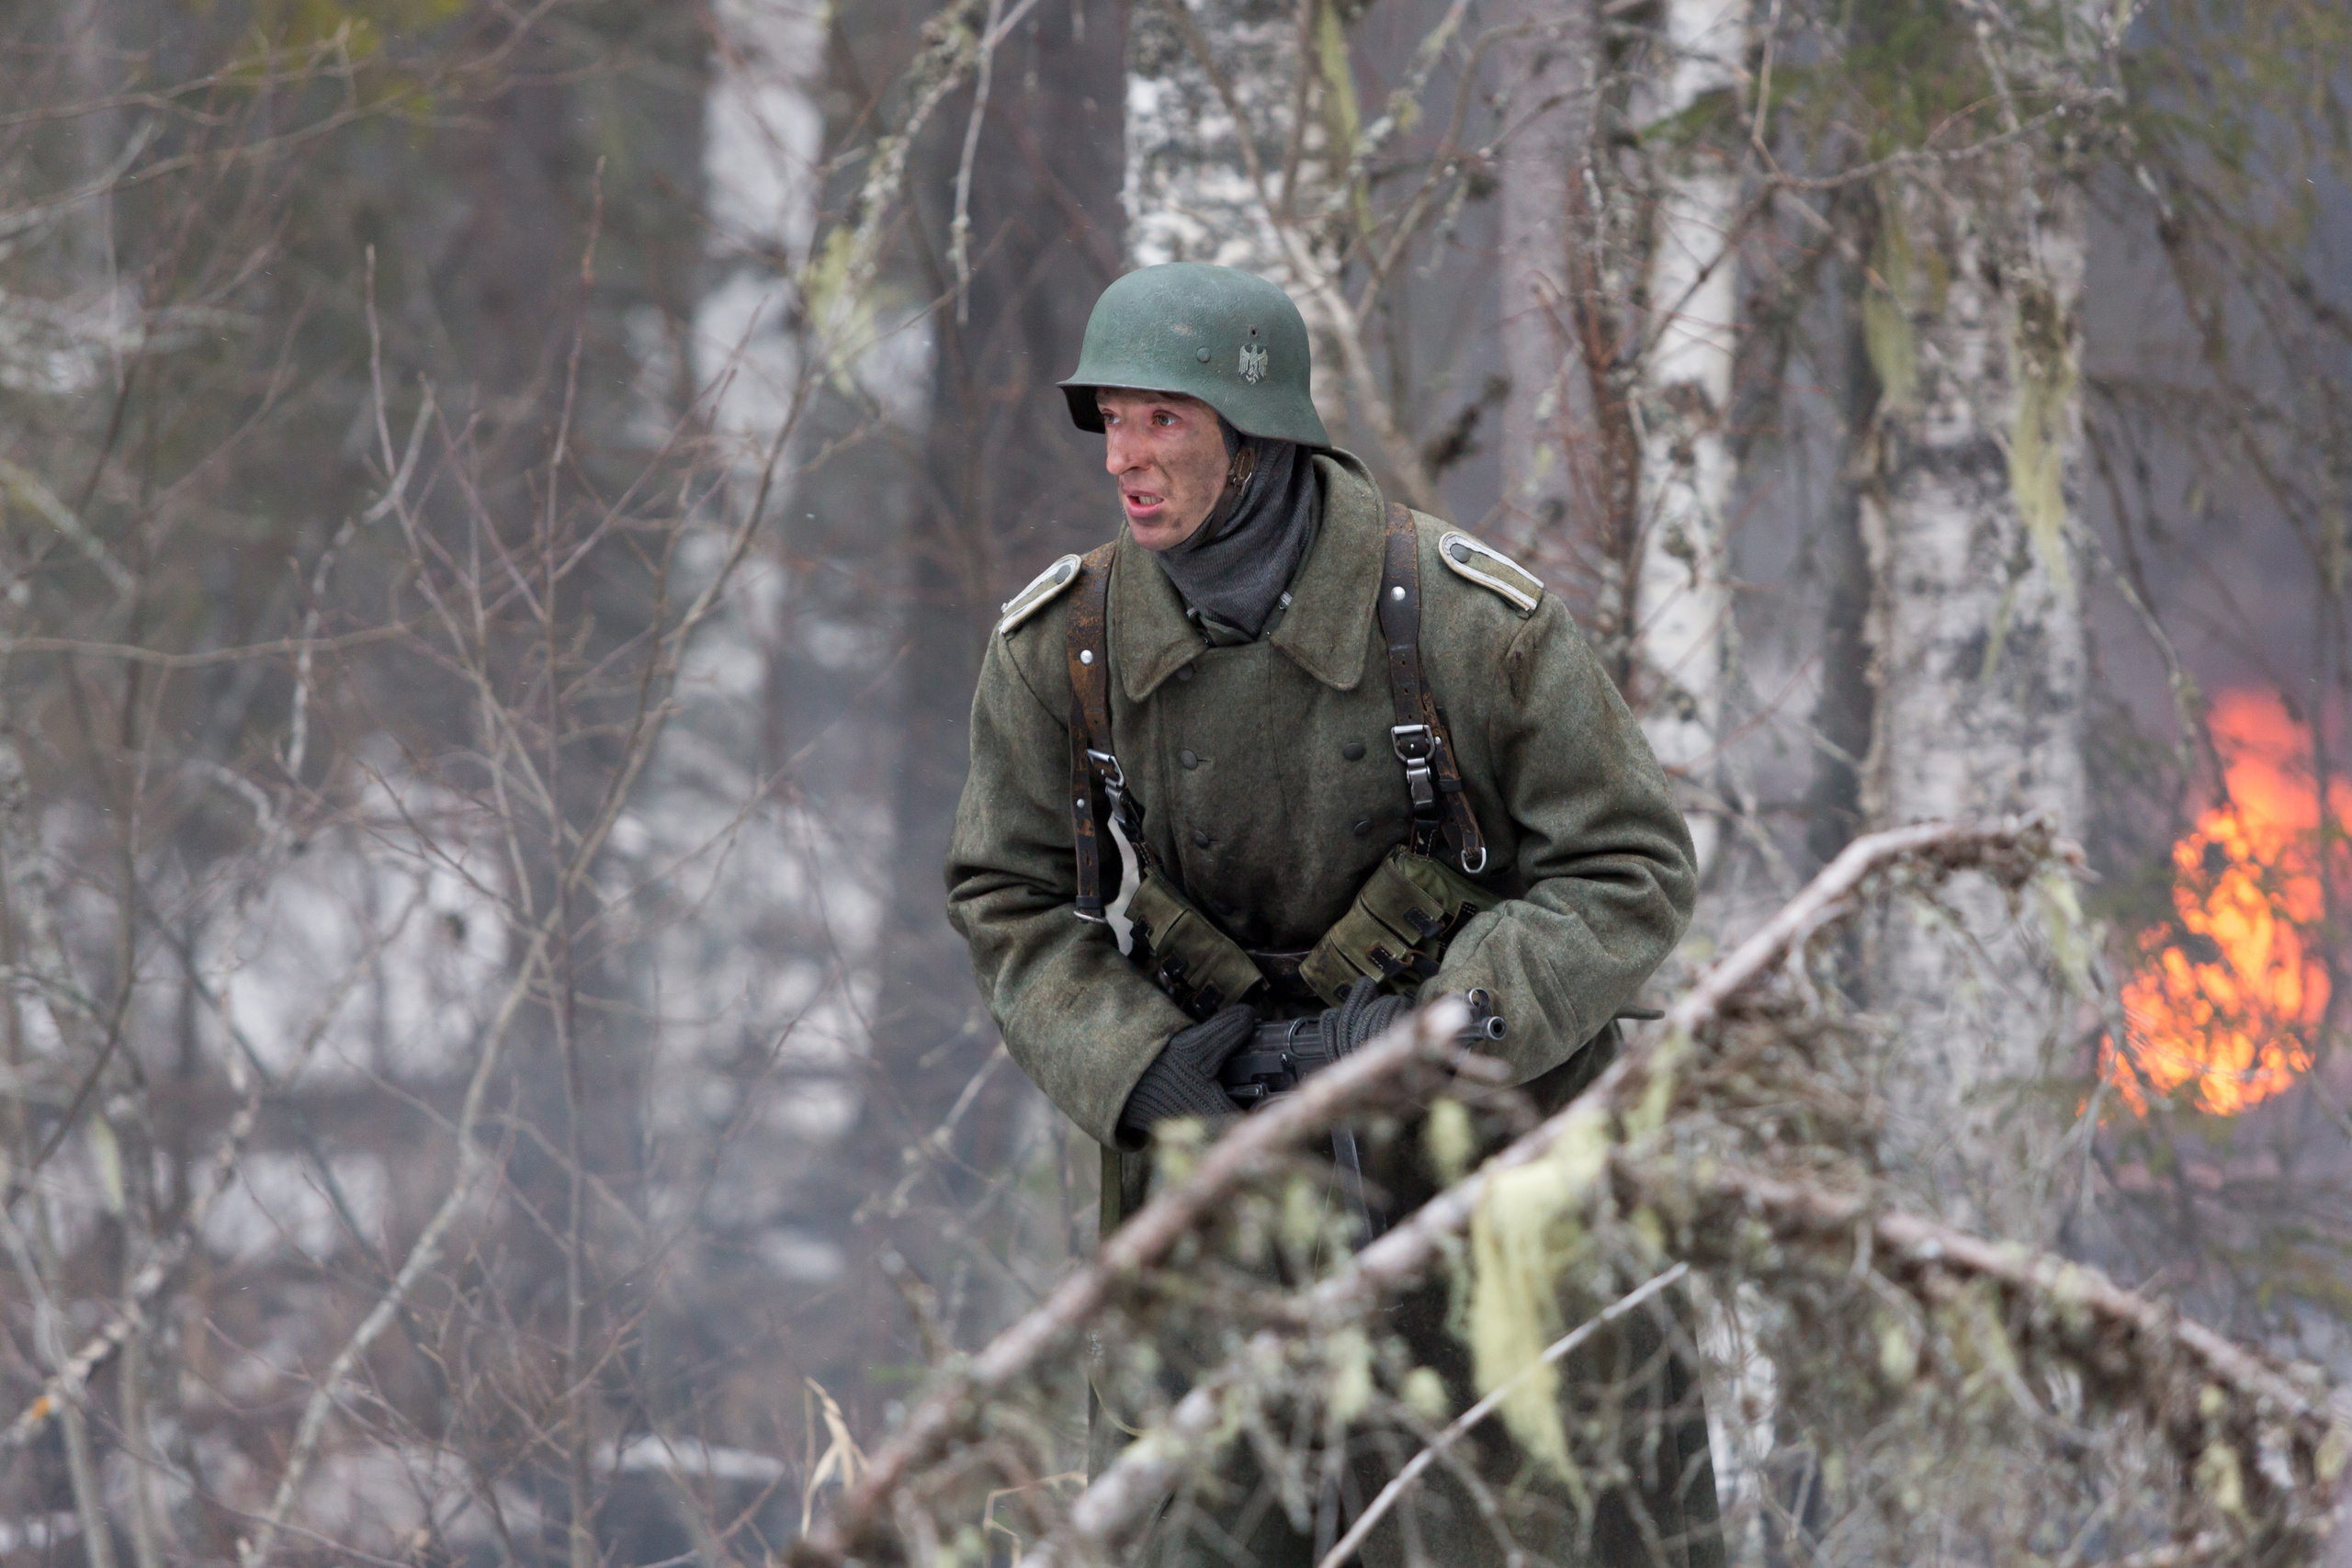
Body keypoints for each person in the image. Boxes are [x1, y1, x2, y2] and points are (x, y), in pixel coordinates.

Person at [945, 262, 1720, 1567]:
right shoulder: (1059, 645)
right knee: (1194, 1523)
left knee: (1546, 1516)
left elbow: (1628, 866)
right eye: (1114, 421)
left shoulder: (1475, 626)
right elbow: (1007, 896)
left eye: (1164, 420)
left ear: (1257, 435)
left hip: (1481, 1150)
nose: (1126, 458)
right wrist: (1142, 1068)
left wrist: (1453, 1027)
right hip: (1217, 1144)